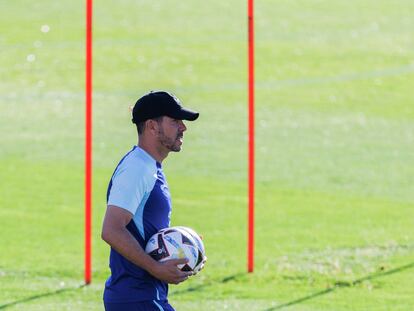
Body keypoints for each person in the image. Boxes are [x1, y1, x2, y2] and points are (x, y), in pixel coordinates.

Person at [101, 90, 199, 311]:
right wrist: (155, 268)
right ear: (152, 126)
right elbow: (112, 230)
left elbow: (144, 229)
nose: (183, 127)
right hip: (137, 298)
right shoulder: (137, 168)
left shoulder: (149, 166)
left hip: (142, 296)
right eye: (175, 121)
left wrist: (187, 246)